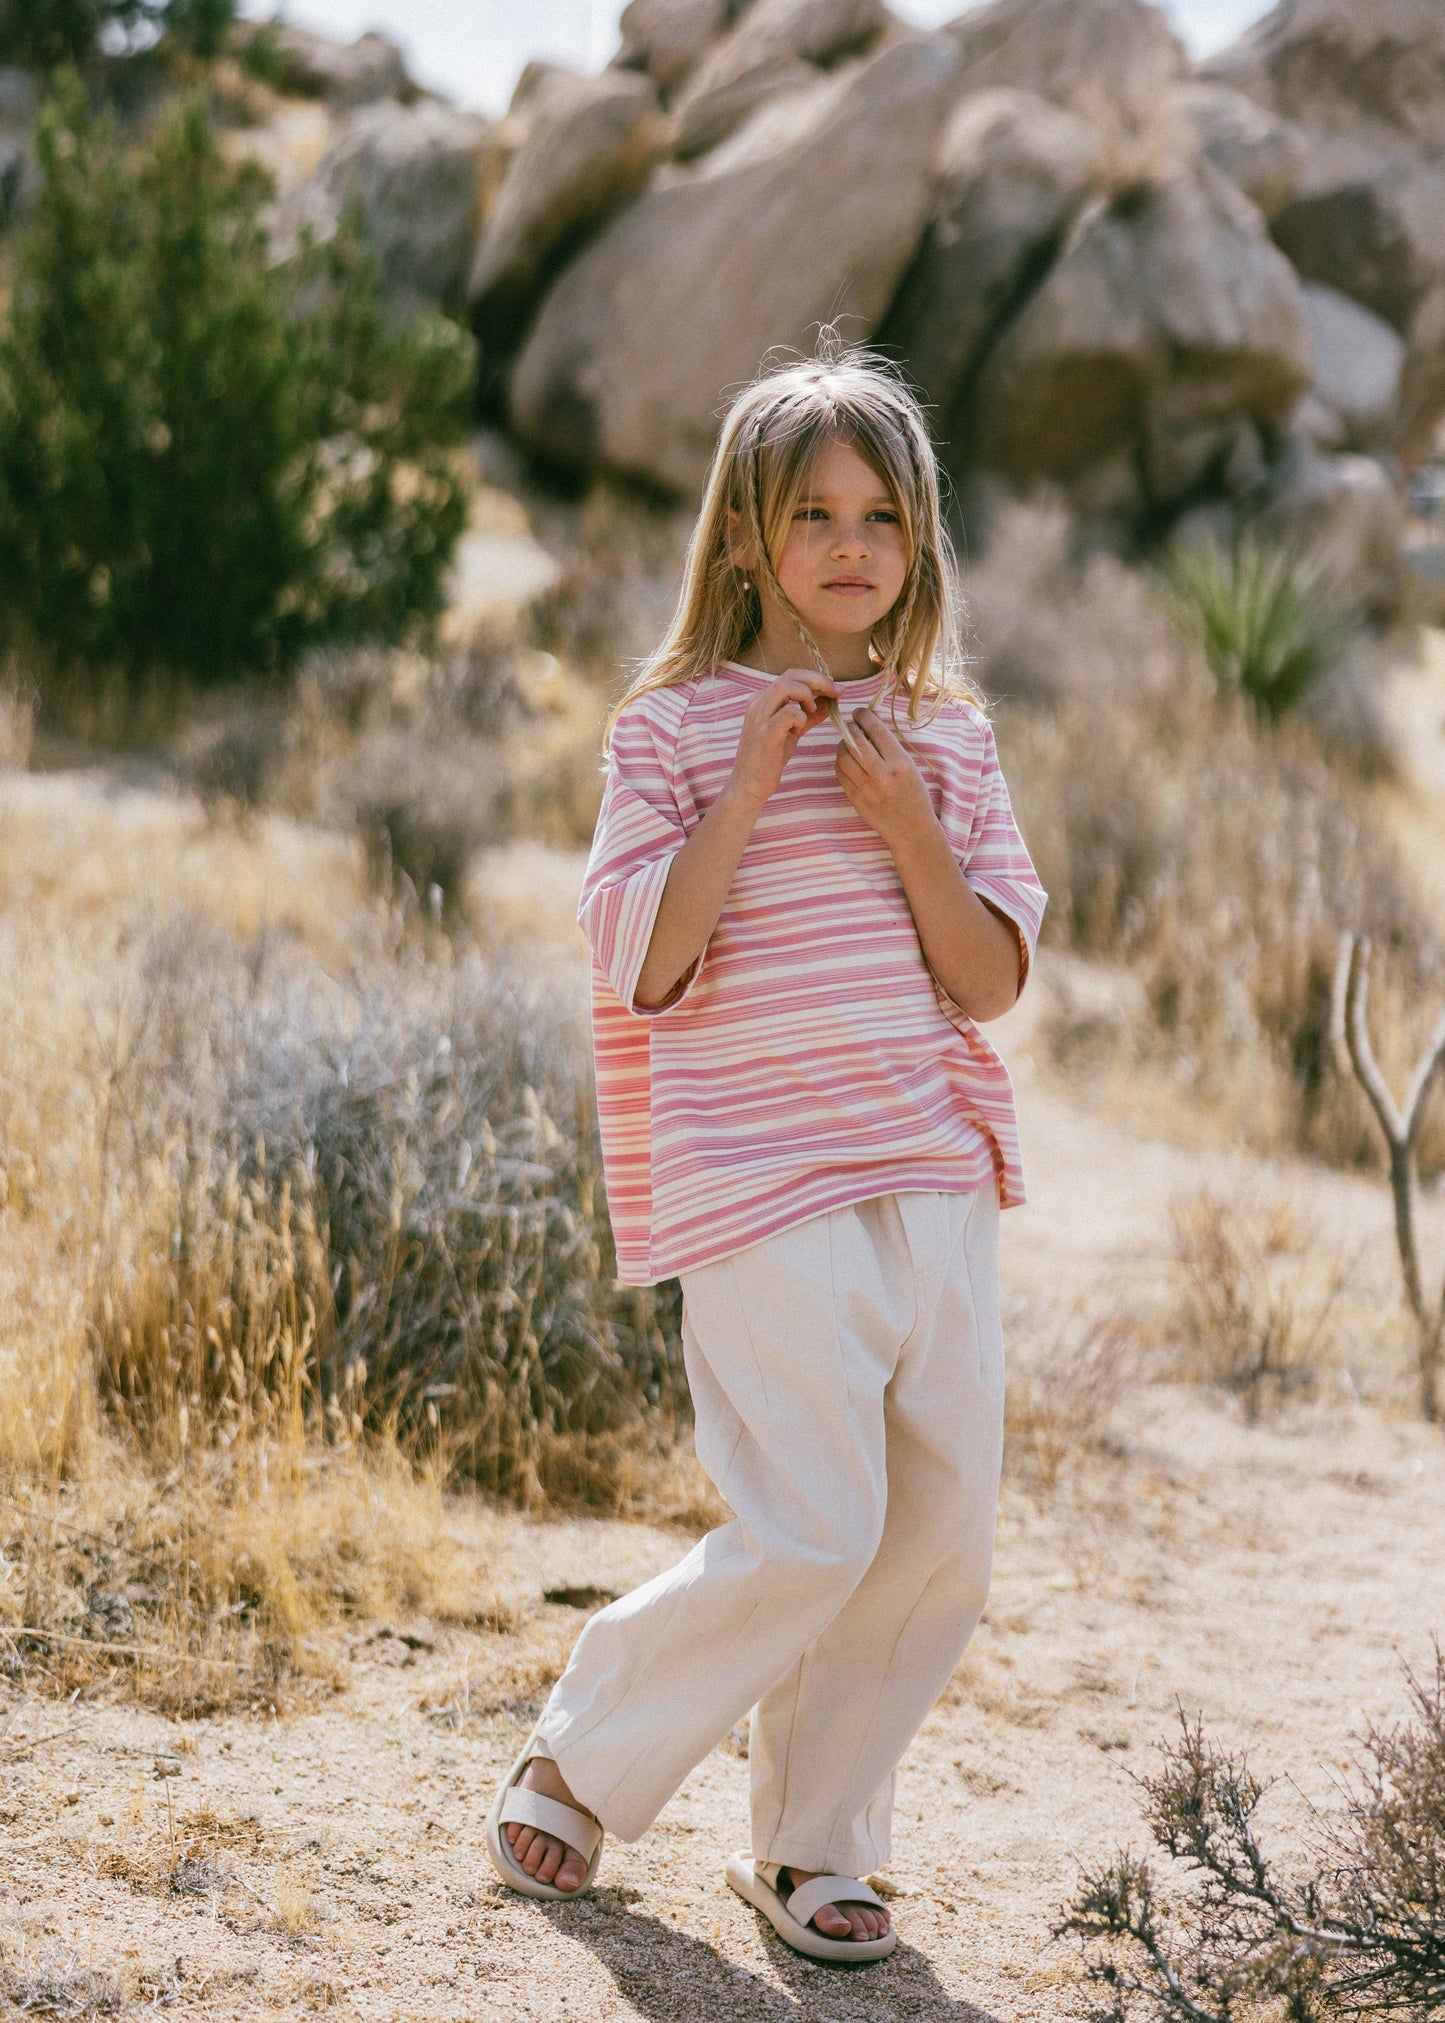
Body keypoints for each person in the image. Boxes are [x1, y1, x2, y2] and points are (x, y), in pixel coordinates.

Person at [485, 339, 1046, 1966]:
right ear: (744, 535)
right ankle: (583, 1757)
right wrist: (746, 788)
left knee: (937, 1528)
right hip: (754, 1180)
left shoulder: (943, 735)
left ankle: (814, 1844)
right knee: (810, 1521)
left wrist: (905, 828)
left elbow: (991, 982)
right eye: (813, 515)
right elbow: (648, 967)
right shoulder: (666, 734)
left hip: (930, 1178)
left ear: (919, 542)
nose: (851, 546)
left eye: (883, 516)